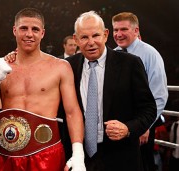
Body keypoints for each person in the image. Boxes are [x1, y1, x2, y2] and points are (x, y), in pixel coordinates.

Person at [0, 8, 86, 171]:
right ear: (15, 30)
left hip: (47, 154)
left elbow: (72, 112)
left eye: (35, 29)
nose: (29, 34)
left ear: (42, 33)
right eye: (24, 28)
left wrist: (78, 154)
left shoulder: (59, 67)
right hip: (7, 156)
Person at [61, 11, 156, 171]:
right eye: (84, 37)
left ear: (105, 35)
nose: (91, 42)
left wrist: (128, 129)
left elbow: (149, 109)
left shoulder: (130, 64)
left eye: (96, 35)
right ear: (76, 39)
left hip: (121, 157)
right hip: (79, 158)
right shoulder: (66, 66)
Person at [112, 12, 168, 171]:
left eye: (123, 29)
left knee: (142, 165)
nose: (118, 34)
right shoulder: (113, 54)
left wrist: (144, 125)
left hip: (141, 126)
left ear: (136, 31)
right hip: (118, 126)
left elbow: (159, 96)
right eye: (115, 30)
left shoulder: (150, 54)